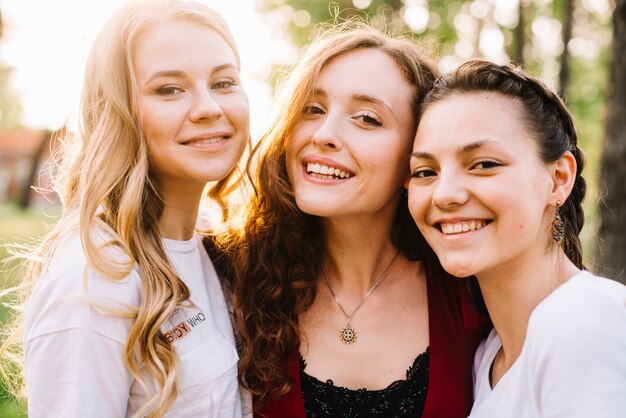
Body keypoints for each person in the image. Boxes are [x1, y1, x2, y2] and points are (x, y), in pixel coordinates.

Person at [220, 22, 490, 417]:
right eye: (312, 109)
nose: (324, 134)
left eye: (366, 118)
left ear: (416, 157)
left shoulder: (472, 291)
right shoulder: (235, 279)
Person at [1, 0, 251, 416]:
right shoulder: (94, 277)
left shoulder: (213, 244)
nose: (210, 107)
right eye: (169, 89)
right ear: (118, 111)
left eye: (223, 83)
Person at [407, 59, 626, 417]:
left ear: (558, 179)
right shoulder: (488, 355)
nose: (444, 195)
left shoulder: (581, 322)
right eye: (425, 171)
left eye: (484, 164)